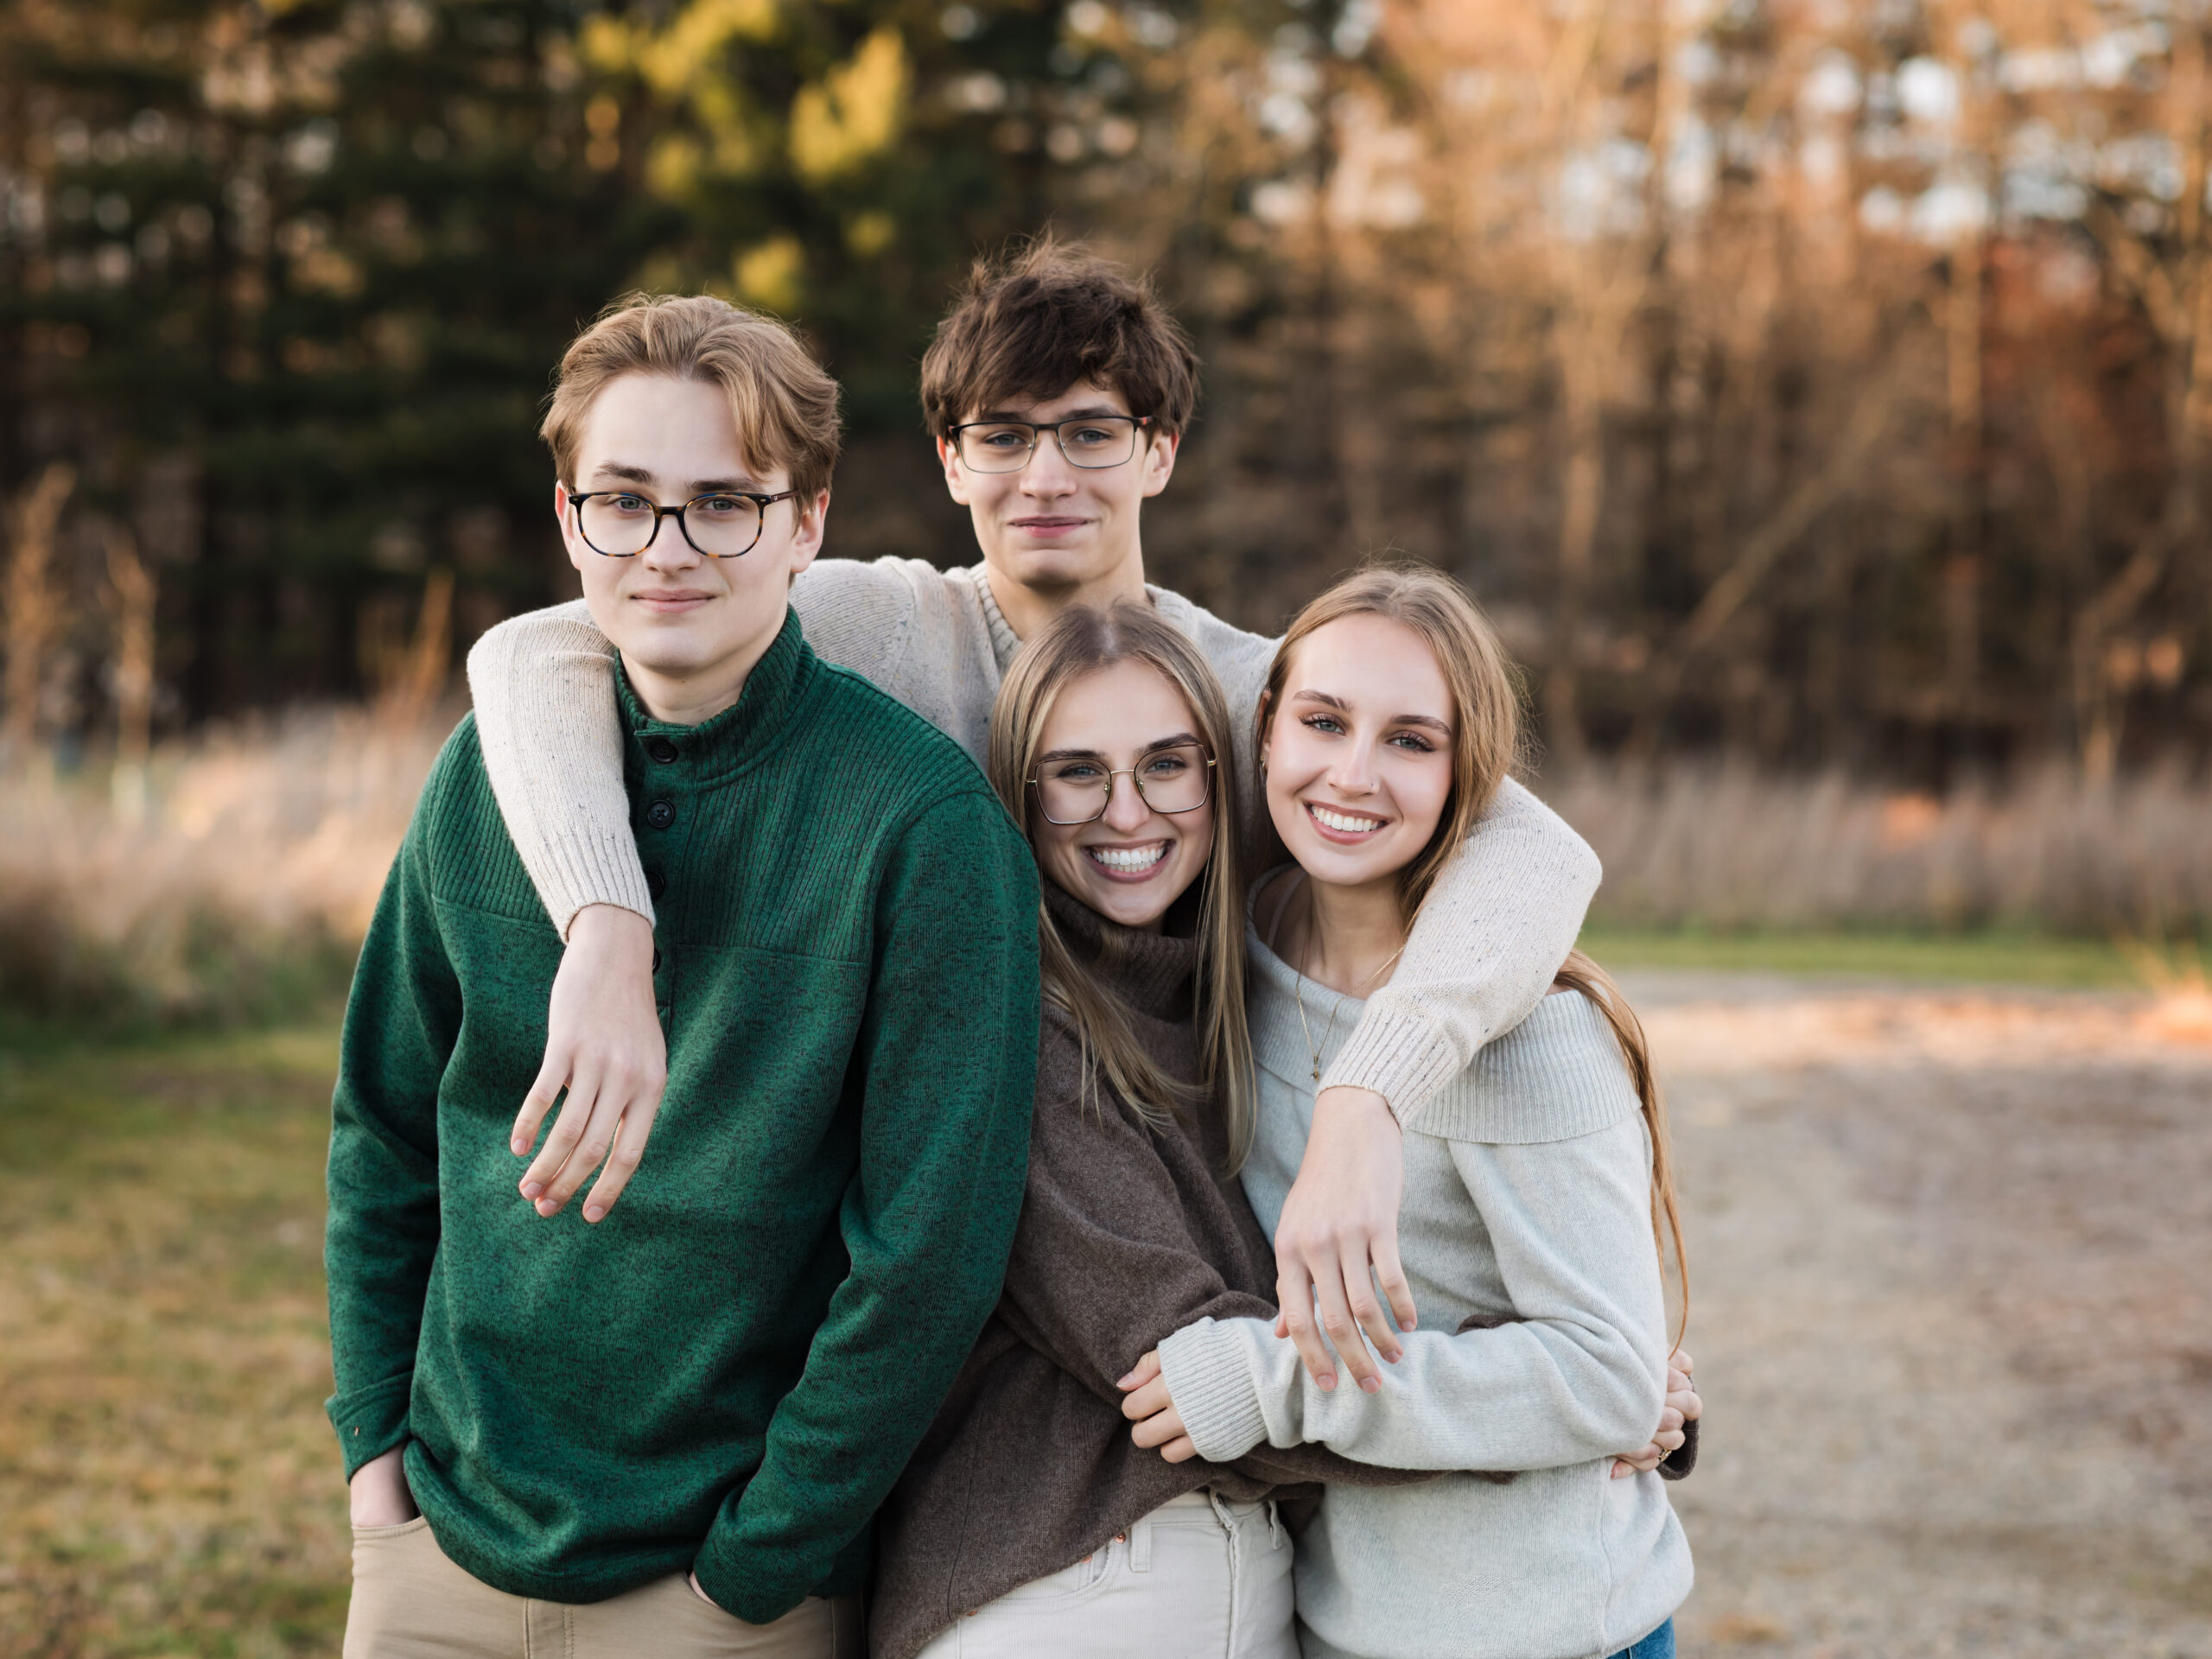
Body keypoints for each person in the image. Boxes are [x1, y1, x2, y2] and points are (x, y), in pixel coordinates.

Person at [466, 241, 1604, 1383]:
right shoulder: (874, 629)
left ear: (1158, 451)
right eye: (1002, 436)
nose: (1044, 477)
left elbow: (1536, 852)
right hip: (928, 1230)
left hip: (1189, 1236)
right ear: (952, 462)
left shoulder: (1252, 690)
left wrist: (1371, 1097)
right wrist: (606, 921)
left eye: (1089, 433)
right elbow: (541, 648)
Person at [324, 294, 1040, 1657]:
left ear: (806, 522)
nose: (668, 549)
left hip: (723, 1588)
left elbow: (929, 1260)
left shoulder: (923, 828)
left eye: (723, 503)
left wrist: (754, 1570)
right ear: (567, 517)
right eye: (626, 501)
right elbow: (384, 1128)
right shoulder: (487, 777)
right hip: (436, 1553)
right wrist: (378, 1467)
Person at [1122, 565, 1694, 1659]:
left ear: (1466, 774)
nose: (1352, 774)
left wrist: (1270, 1383)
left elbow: (1611, 1377)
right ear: (1266, 734)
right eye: (1324, 722)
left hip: (1541, 1630)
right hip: (1337, 1617)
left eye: (1409, 741)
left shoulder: (1528, 1037)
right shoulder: (1241, 949)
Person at [869, 601, 1424, 1659]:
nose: (1127, 813)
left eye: (1166, 765)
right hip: (1085, 1586)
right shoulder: (1015, 1027)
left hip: (1170, 1582)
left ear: (1220, 785)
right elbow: (1203, 1374)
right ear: (1018, 800)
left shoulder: (1228, 1011)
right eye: (1077, 772)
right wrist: (1557, 1406)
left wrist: (1579, 1355)